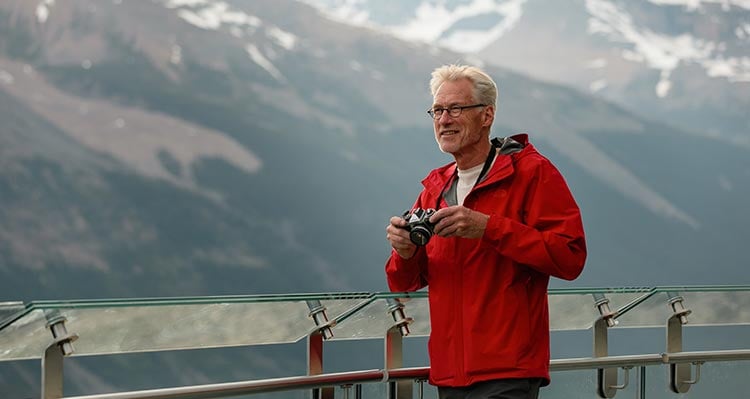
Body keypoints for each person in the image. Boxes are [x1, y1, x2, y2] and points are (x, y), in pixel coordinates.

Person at [384, 64, 587, 399]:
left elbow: (570, 257)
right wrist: (405, 251)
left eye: (456, 109)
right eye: (437, 110)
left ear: (487, 114)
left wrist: (488, 228)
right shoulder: (435, 188)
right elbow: (404, 285)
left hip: (508, 372)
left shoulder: (532, 173)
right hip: (449, 376)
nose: (444, 119)